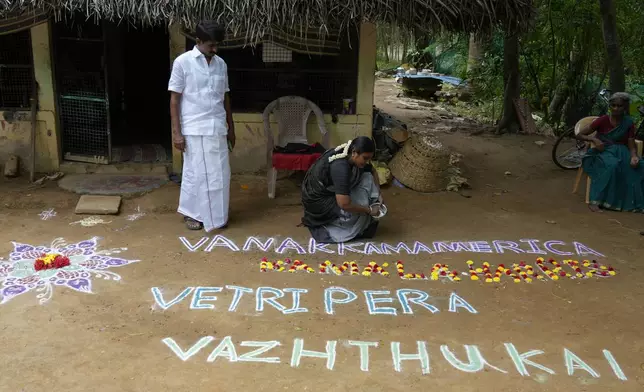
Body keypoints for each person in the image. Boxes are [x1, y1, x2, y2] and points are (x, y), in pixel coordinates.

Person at [168, 21, 236, 231]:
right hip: (194, 129)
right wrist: (177, 133)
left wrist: (231, 128)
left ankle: (217, 216)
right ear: (198, 42)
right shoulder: (183, 62)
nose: (214, 50)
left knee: (220, 174)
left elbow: (225, 97)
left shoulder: (221, 64)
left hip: (217, 128)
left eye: (216, 45)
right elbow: (174, 100)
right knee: (195, 173)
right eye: (210, 46)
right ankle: (194, 214)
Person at [301, 136, 383, 243]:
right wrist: (368, 210)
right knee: (356, 211)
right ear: (354, 153)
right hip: (319, 203)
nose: (366, 162)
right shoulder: (340, 167)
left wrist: (379, 194)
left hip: (329, 192)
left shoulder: (347, 152)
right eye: (365, 158)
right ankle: (335, 227)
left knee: (366, 176)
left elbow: (372, 171)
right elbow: (344, 204)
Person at [577, 92, 644, 212]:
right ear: (610, 106)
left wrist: (634, 156)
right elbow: (579, 134)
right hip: (603, 151)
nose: (616, 108)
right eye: (613, 105)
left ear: (625, 107)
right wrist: (594, 139)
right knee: (612, 165)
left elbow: (631, 143)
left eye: (620, 106)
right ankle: (596, 201)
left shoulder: (628, 122)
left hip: (622, 151)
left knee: (639, 166)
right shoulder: (602, 120)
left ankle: (629, 202)